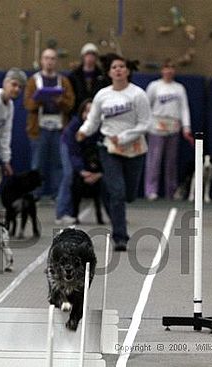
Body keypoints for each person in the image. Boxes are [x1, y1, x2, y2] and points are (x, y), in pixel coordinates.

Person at [77, 55, 151, 251]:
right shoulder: (103, 95)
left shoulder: (138, 95)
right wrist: (83, 131)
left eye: (122, 66)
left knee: (128, 195)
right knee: (116, 192)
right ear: (109, 73)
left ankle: (115, 197)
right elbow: (93, 121)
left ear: (127, 71)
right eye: (114, 67)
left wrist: (126, 137)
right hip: (109, 147)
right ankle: (120, 236)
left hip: (134, 148)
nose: (118, 70)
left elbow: (145, 123)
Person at [24, 48, 75, 199]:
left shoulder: (63, 81)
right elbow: (27, 104)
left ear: (56, 61)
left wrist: (61, 101)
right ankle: (35, 194)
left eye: (52, 59)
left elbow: (70, 103)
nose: (49, 62)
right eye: (46, 58)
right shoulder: (34, 81)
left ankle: (57, 194)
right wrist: (40, 99)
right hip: (39, 128)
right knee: (37, 164)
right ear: (41, 60)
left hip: (59, 128)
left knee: (58, 163)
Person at [144, 58, 194, 200]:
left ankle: (171, 191)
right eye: (166, 68)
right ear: (162, 70)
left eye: (172, 68)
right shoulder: (154, 86)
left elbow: (184, 108)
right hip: (157, 126)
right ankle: (151, 190)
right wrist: (146, 126)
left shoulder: (179, 88)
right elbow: (146, 106)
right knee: (154, 160)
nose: (169, 71)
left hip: (173, 126)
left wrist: (186, 127)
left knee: (171, 162)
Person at [55, 98, 102, 225]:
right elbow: (74, 152)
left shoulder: (100, 126)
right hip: (68, 146)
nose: (88, 114)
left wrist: (98, 173)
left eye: (92, 111)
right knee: (69, 174)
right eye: (86, 111)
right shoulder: (74, 126)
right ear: (81, 112)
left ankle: (113, 213)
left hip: (85, 150)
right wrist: (81, 170)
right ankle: (62, 213)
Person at [68, 43, 107, 116]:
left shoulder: (103, 76)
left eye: (92, 55)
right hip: (78, 111)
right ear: (83, 57)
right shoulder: (74, 76)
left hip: (98, 111)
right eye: (87, 55)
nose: (90, 58)